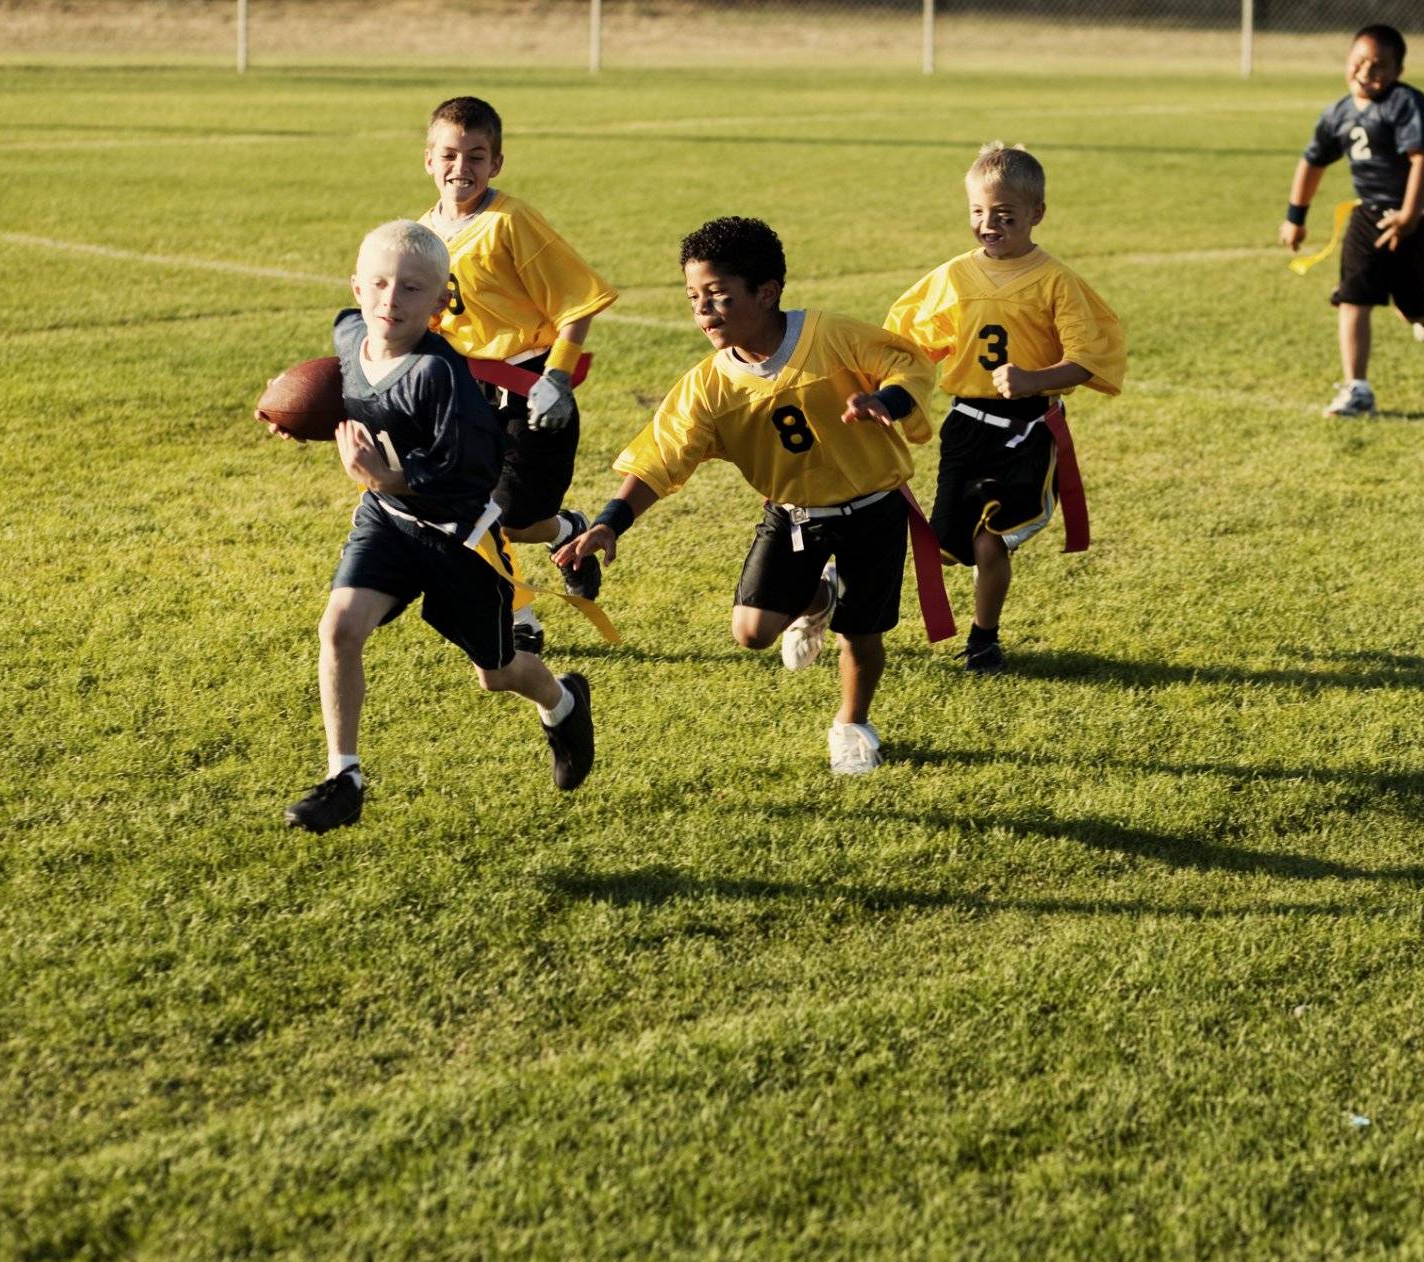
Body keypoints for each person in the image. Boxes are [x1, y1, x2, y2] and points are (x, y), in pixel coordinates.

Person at [552, 217, 935, 775]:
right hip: (793, 515)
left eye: (719, 297)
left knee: (862, 631)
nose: (703, 312)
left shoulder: (831, 337)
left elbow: (907, 362)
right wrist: (612, 521)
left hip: (872, 508)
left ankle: (852, 724)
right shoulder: (708, 386)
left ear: (767, 292)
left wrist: (890, 402)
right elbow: (662, 454)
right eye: (693, 298)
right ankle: (814, 599)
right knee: (751, 632)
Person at [274, 220, 594, 833]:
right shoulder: (348, 334)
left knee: (498, 674)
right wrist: (298, 418)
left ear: (443, 300)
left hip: (461, 537)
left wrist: (385, 477)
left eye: (413, 289)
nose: (392, 300)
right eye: (379, 285)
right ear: (357, 288)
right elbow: (347, 392)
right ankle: (344, 776)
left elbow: (470, 477)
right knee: (339, 627)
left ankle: (564, 704)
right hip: (388, 523)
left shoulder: (441, 376)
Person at [885, 141, 1126, 675]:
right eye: (977, 212)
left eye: (1004, 215)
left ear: (1037, 214)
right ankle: (840, 585)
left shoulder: (1056, 281)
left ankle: (983, 639)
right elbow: (910, 343)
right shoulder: (953, 276)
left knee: (992, 539)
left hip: (1027, 432)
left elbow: (1088, 358)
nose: (988, 224)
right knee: (947, 546)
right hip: (966, 427)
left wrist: (1036, 378)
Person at [417, 95, 620, 653]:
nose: (463, 168)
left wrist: (555, 377)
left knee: (512, 522)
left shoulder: (511, 221)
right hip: (463, 390)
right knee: (465, 515)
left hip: (529, 390)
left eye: (477, 156)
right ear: (429, 160)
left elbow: (577, 301)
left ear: (496, 164)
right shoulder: (422, 233)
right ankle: (519, 619)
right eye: (451, 155)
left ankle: (567, 530)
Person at [1280, 23, 1424, 418]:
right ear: (1347, 60)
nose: (1366, 73)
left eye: (1379, 67)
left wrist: (1410, 213)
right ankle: (1356, 390)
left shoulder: (1408, 104)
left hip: (1418, 220)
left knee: (1411, 309)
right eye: (1359, 62)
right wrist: (1296, 217)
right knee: (1353, 297)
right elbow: (1312, 162)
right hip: (1368, 215)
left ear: (1397, 72)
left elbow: (1421, 160)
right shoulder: (1337, 114)